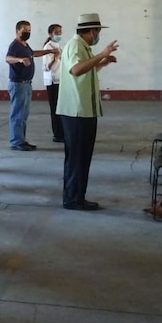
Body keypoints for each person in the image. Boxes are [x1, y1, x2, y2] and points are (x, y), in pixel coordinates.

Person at [56, 12, 118, 211]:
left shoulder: (82, 47)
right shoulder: (75, 45)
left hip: (83, 111)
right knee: (77, 157)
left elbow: (84, 72)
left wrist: (102, 63)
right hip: (76, 112)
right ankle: (73, 199)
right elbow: (76, 70)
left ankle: (75, 196)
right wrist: (101, 54)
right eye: (97, 32)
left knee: (80, 157)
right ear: (92, 31)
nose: (98, 36)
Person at [5, 20, 57, 151]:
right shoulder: (15, 45)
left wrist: (48, 51)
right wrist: (20, 60)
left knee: (23, 114)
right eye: (25, 31)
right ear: (17, 31)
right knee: (17, 114)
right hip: (18, 84)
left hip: (27, 84)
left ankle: (21, 140)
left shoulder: (25, 45)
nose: (28, 33)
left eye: (29, 31)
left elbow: (33, 53)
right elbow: (8, 58)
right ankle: (16, 141)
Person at [42, 23, 64, 143]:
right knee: (55, 108)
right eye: (57, 32)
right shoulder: (48, 47)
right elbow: (47, 67)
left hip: (60, 80)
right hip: (52, 81)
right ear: (51, 34)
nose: (59, 34)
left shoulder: (58, 45)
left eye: (60, 32)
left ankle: (62, 132)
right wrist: (55, 58)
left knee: (60, 108)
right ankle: (58, 134)